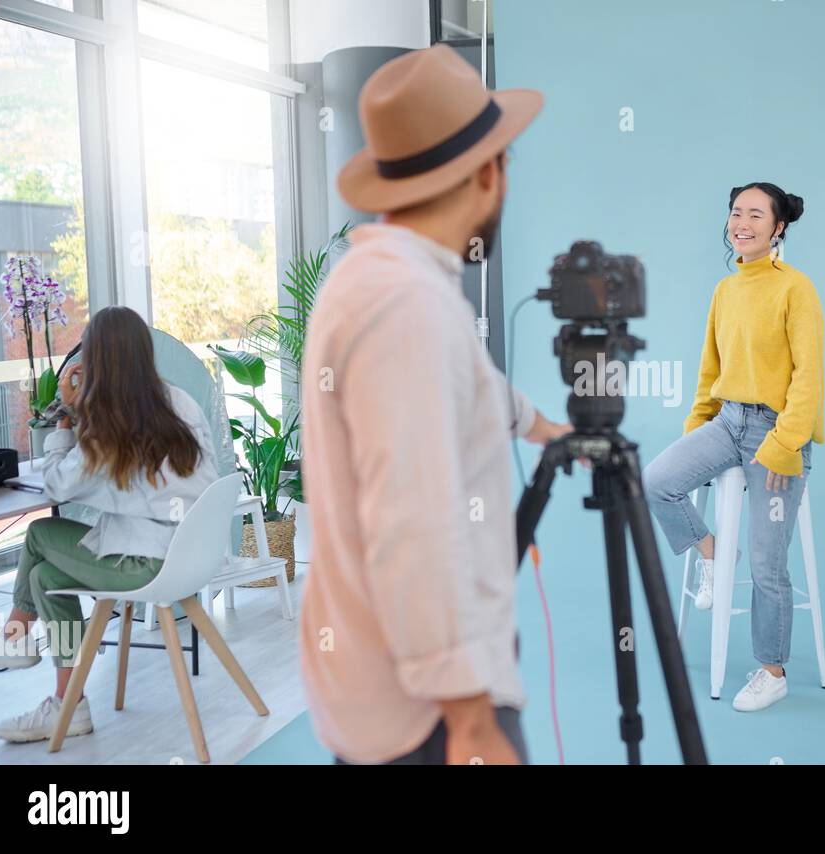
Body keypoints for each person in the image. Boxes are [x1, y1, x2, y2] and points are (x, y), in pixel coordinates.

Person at [299, 44, 563, 765]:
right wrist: (472, 724)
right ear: (488, 172)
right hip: (429, 717)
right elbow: (411, 525)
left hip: (388, 688)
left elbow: (470, 385)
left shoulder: (384, 277)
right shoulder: (406, 305)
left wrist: (544, 427)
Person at [0, 305, 219, 742]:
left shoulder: (112, 427)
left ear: (96, 362)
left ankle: (13, 638)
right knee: (48, 577)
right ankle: (68, 705)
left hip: (148, 564)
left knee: (38, 534)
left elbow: (58, 485)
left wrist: (68, 416)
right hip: (190, 555)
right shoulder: (177, 401)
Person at [643, 182, 824, 712]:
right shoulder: (726, 291)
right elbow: (711, 370)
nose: (742, 223)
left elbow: (808, 378)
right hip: (726, 421)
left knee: (769, 562)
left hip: (776, 430)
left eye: (755, 214)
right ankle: (716, 555)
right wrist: (695, 432)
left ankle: (772, 670)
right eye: (736, 213)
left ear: (778, 227)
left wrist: (785, 444)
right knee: (656, 481)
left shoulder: (796, 289)